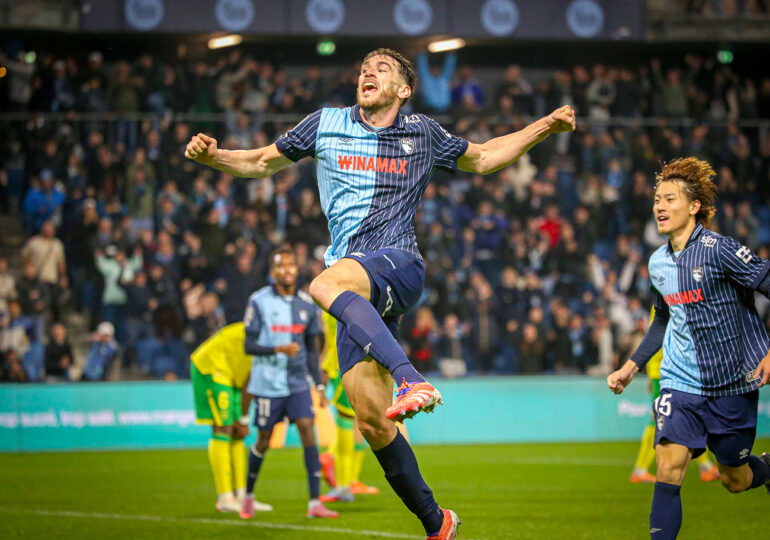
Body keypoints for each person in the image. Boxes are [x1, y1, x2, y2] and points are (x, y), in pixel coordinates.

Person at [186, 47, 576, 539]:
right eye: (364, 68)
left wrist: (543, 127)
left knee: (322, 282)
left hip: (398, 263)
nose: (368, 72)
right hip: (358, 293)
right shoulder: (324, 124)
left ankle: (413, 378)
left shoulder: (422, 132)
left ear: (405, 89)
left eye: (382, 68)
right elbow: (261, 162)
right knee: (372, 421)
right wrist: (213, 156)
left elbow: (484, 157)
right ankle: (438, 523)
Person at [607, 157, 770, 540]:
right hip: (681, 383)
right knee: (669, 466)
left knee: (734, 478)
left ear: (694, 206)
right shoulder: (657, 263)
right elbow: (663, 319)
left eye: (670, 199)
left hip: (732, 383)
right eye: (657, 200)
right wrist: (631, 366)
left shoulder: (721, 250)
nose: (659, 207)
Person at [239, 248, 337, 520]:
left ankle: (315, 502)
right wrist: (277, 349)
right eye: (280, 266)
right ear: (272, 272)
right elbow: (248, 345)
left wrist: (318, 386)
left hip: (297, 384)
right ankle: (248, 495)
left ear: (296, 269)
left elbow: (311, 351)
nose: (286, 270)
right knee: (264, 440)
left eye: (290, 265)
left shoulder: (307, 304)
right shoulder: (258, 301)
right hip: (268, 384)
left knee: (308, 430)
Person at [629, 307, 720, 484]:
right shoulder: (673, 295)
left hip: (665, 369)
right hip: (666, 369)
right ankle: (640, 469)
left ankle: (706, 466)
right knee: (659, 419)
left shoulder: (666, 294)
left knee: (684, 415)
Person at [189, 321, 271, 514]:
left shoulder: (270, 336)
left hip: (232, 372)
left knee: (237, 434)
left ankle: (243, 496)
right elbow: (250, 384)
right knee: (224, 428)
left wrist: (242, 422)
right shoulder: (266, 339)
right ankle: (225, 497)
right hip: (212, 366)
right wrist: (243, 419)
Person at [319, 310, 380, 504]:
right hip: (353, 366)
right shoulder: (352, 306)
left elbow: (329, 343)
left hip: (343, 367)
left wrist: (324, 368)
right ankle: (347, 482)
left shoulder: (329, 307)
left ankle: (344, 483)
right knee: (354, 425)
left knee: (349, 424)